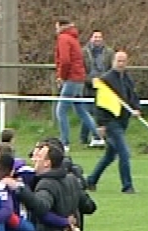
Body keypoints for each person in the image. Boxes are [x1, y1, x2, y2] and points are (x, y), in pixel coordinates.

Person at [85, 51, 142, 194]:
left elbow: (132, 96)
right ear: (113, 61)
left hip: (123, 121)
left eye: (123, 61)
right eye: (118, 61)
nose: (121, 63)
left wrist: (136, 109)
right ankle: (127, 186)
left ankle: (91, 180)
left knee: (110, 156)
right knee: (124, 153)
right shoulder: (106, 80)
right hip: (111, 122)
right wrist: (101, 124)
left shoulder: (127, 78)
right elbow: (100, 104)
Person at [54, 19, 99, 149]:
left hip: (71, 78)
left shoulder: (63, 38)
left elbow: (65, 60)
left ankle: (65, 142)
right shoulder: (73, 38)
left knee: (61, 110)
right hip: (79, 78)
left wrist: (61, 76)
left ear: (61, 26)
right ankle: (97, 136)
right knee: (80, 109)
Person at [80, 29, 114, 147]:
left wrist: (105, 81)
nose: (97, 39)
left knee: (100, 113)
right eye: (95, 37)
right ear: (91, 38)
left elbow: (111, 68)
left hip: (103, 86)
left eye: (99, 37)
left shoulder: (109, 52)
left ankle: (100, 137)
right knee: (86, 112)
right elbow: (81, 69)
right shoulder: (83, 52)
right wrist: (89, 80)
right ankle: (84, 138)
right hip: (88, 86)